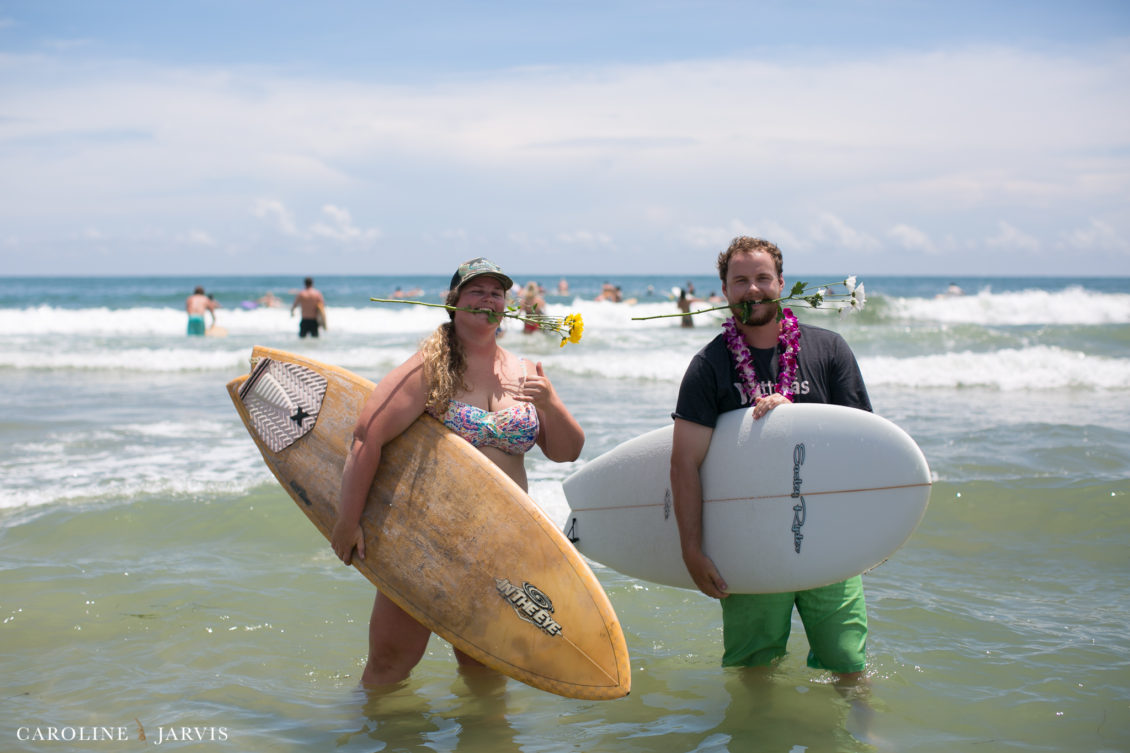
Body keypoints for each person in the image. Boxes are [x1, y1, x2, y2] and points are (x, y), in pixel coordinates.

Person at [331, 257, 585, 687]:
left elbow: (567, 451)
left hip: (501, 545)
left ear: (507, 304)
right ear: (454, 303)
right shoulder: (429, 368)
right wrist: (346, 522)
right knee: (392, 663)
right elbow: (366, 437)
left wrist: (550, 404)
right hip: (430, 540)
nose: (488, 299)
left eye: (497, 292)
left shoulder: (525, 372)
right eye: (476, 291)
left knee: (484, 669)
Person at [670, 236, 872, 685]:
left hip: (830, 541)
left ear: (781, 283)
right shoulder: (709, 366)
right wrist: (691, 549)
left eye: (763, 278)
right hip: (747, 541)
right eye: (740, 280)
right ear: (724, 291)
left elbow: (862, 446)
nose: (753, 289)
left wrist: (871, 535)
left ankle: (859, 737)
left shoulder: (828, 350)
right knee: (753, 671)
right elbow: (684, 462)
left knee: (849, 669)